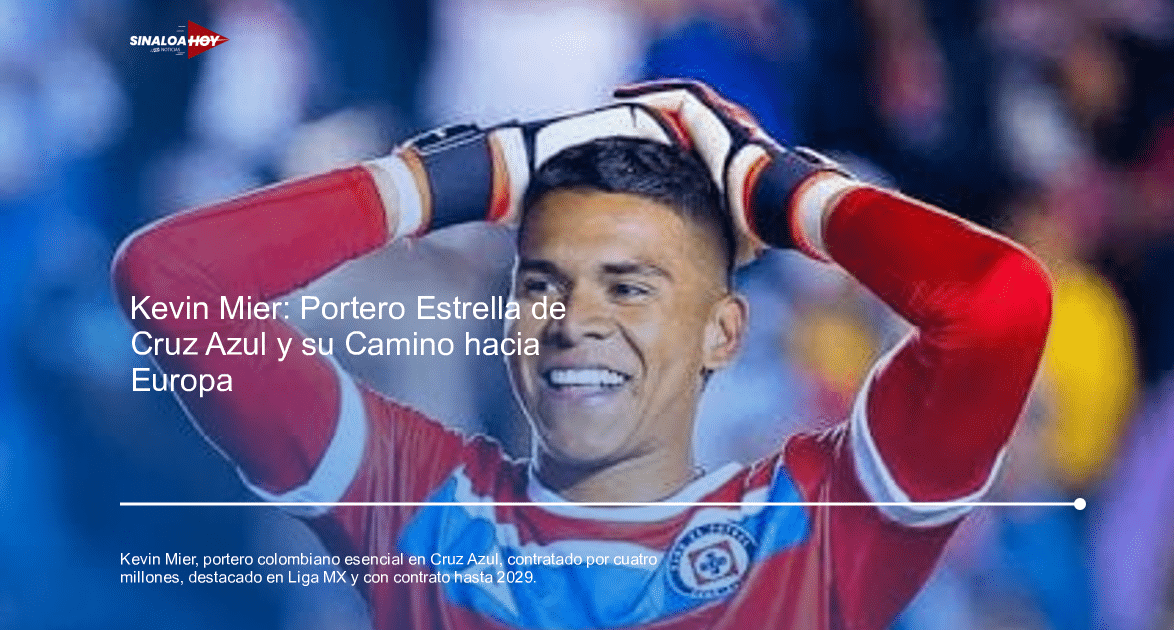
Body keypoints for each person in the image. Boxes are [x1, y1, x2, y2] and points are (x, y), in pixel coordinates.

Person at [112, 80, 1052, 630]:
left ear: (723, 330)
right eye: (541, 284)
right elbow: (170, 280)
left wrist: (774, 185)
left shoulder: (820, 532)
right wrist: (473, 173)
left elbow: (999, 307)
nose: (574, 320)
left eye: (630, 287)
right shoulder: (416, 501)